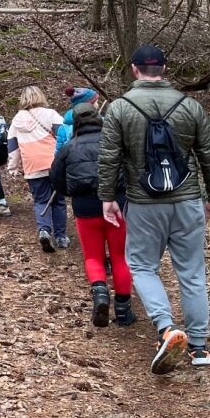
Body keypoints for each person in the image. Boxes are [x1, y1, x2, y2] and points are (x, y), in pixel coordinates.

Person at [98, 44, 210, 374]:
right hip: (187, 201)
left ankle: (167, 329)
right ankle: (199, 347)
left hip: (144, 204)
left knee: (141, 266)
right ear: (164, 69)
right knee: (192, 273)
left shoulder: (120, 108)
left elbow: (109, 157)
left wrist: (108, 197)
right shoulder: (191, 106)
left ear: (134, 69)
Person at [51, 102, 134, 329]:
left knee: (93, 257)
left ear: (76, 123)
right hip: (118, 205)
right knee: (119, 256)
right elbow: (130, 171)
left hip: (84, 208)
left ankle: (100, 294)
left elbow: (56, 178)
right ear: (99, 119)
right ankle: (124, 311)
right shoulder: (114, 144)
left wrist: (72, 192)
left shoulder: (69, 147)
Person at [7, 86, 67, 252]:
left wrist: (13, 166)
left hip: (32, 165)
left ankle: (44, 230)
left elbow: (12, 145)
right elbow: (64, 135)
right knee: (59, 201)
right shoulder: (50, 114)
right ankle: (61, 237)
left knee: (41, 200)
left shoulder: (17, 120)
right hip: (54, 163)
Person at [55, 87, 99, 153]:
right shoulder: (100, 122)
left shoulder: (63, 127)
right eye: (96, 102)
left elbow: (59, 153)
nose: (98, 104)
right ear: (89, 105)